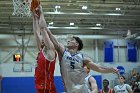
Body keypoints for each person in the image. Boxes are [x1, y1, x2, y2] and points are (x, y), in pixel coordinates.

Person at [37, 5, 118, 93]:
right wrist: (41, 14)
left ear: (76, 44)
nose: (68, 41)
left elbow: (99, 68)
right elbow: (45, 29)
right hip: (69, 90)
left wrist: (111, 69)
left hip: (83, 90)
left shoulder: (83, 58)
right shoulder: (62, 51)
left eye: (71, 40)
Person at [32, 8, 57, 93]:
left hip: (48, 89)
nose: (42, 39)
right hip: (39, 88)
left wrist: (41, 13)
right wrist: (34, 17)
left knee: (42, 31)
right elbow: (36, 32)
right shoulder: (41, 50)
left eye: (44, 38)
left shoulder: (51, 51)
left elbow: (42, 29)